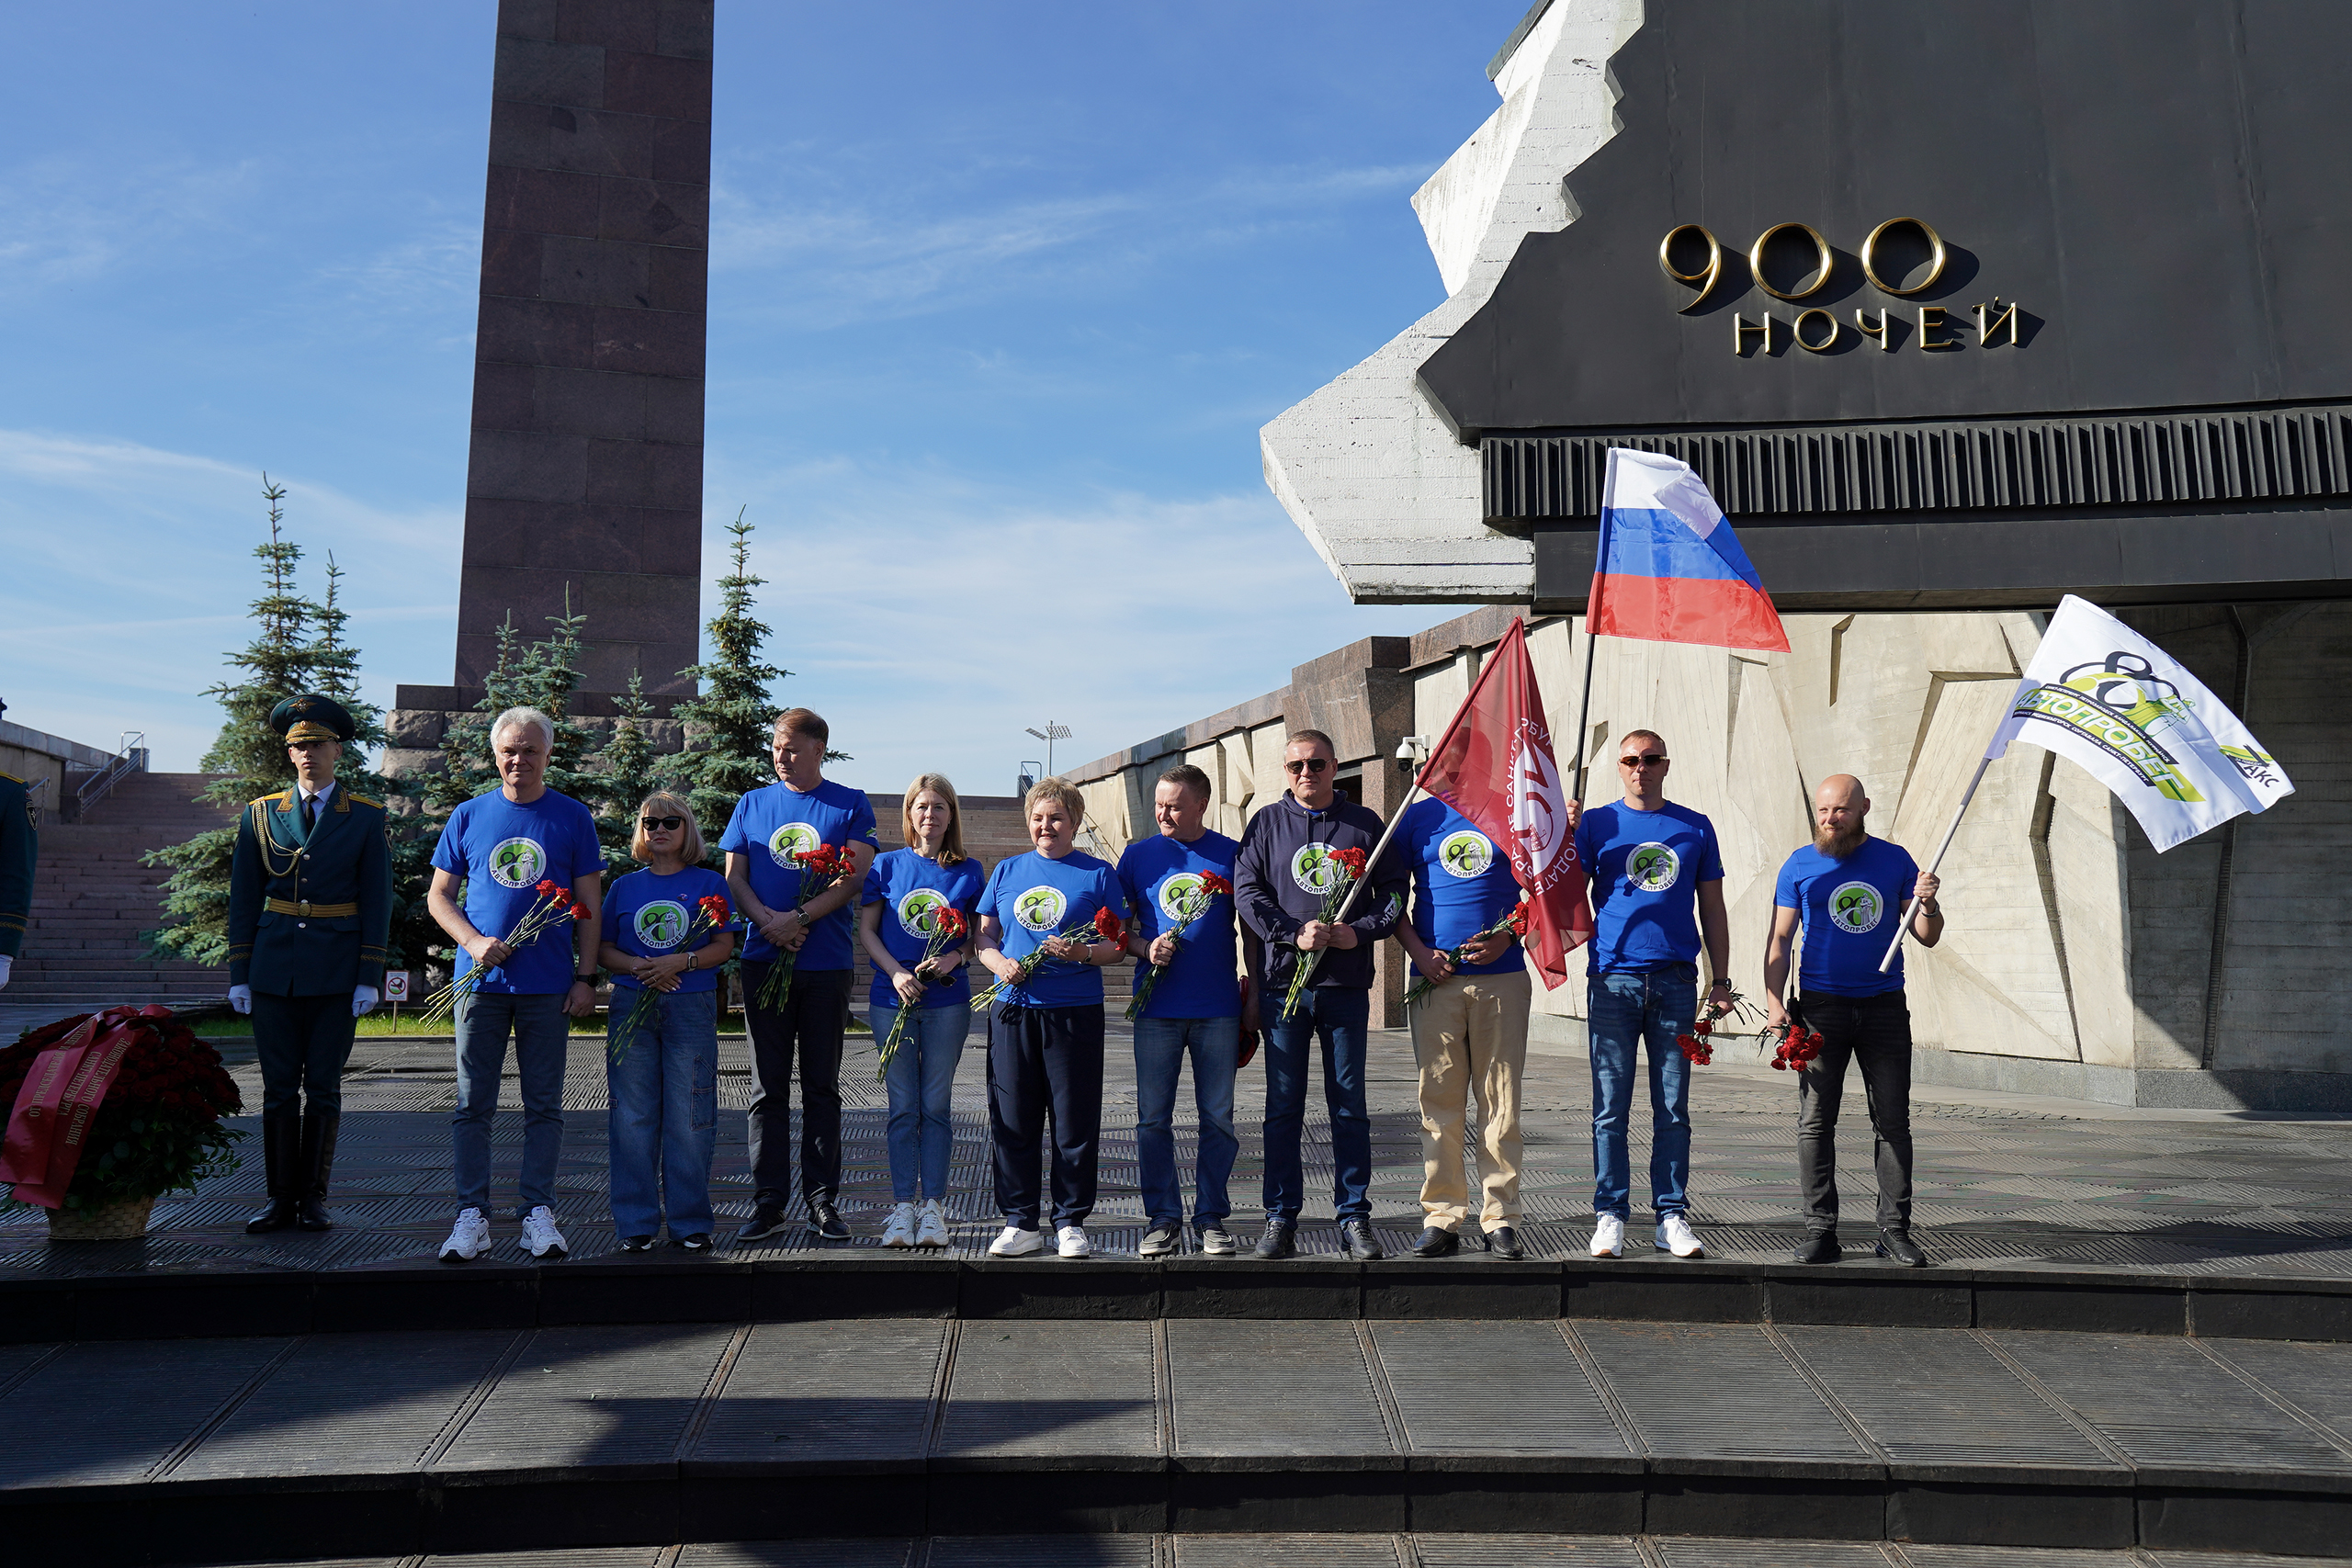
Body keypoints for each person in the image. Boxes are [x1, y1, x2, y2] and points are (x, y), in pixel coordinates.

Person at [428, 706, 604, 1262]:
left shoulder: (573, 818)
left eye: (530, 749)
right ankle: (471, 1215)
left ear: (547, 754)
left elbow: (590, 909)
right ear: (495, 753)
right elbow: (438, 897)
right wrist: (474, 943)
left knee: (544, 1106)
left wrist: (586, 977)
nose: (519, 759)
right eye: (510, 749)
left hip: (547, 988)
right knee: (472, 1105)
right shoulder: (468, 815)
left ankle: (537, 1213)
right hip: (479, 984)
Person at [1232, 728, 1406, 1261]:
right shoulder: (1265, 824)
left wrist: (1364, 930)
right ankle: (1280, 1218)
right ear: (1285, 772)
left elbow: (1395, 892)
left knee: (1349, 1106)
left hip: (1345, 989)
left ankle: (1354, 1216)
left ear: (1335, 767)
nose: (1306, 774)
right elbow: (1246, 890)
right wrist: (1290, 931)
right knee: (1283, 1107)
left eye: (1317, 764)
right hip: (1287, 986)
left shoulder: (1364, 825)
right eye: (1296, 766)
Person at [224, 694, 392, 1233]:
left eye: (316, 744)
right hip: (274, 968)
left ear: (337, 750)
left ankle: (313, 1198)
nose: (306, 755)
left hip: (337, 969)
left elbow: (377, 900)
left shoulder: (365, 817)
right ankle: (279, 1199)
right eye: (297, 745)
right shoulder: (261, 814)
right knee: (276, 1089)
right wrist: (240, 973)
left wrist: (369, 974)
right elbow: (244, 898)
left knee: (322, 1086)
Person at [1764, 773, 1944, 1269]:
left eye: (1840, 810)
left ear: (1864, 806)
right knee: (1815, 1122)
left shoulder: (1894, 860)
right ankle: (1820, 1231)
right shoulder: (1799, 864)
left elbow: (1926, 935)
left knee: (1892, 1122)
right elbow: (1781, 939)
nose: (1830, 819)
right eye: (1823, 811)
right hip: (1821, 1008)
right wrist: (1774, 1001)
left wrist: (1927, 901)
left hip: (1884, 1007)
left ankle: (1894, 1231)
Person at [723, 708, 879, 1244]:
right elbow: (735, 877)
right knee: (767, 1089)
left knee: (821, 1086)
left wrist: (800, 919)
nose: (780, 755)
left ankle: (821, 1200)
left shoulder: (849, 803)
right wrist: (769, 923)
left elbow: (854, 877)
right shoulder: (752, 803)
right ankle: (768, 1202)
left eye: (790, 747)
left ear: (818, 748)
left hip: (824, 965)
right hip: (764, 960)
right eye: (775, 746)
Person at [1573, 729, 1728, 1262]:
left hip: (1675, 981)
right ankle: (1611, 1213)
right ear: (1619, 767)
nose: (1641, 767)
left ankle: (1670, 1215)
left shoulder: (1694, 826)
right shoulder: (1596, 823)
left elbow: (1712, 908)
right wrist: (1562, 834)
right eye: (1631, 760)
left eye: (1651, 759)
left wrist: (1721, 978)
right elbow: (1564, 889)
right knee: (1610, 1107)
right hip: (1613, 978)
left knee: (1673, 1107)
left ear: (1666, 764)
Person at [970, 776, 1129, 1259]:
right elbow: (983, 937)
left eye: (1057, 817)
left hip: (1074, 1014)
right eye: (1038, 817)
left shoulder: (1098, 874)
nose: (1047, 826)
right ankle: (1020, 1222)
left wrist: (1082, 952)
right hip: (1014, 1011)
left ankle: (1070, 1221)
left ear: (1076, 822)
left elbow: (1118, 946)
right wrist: (1000, 965)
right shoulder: (1007, 871)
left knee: (1073, 1119)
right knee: (1013, 1117)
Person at [1394, 793, 1532, 1259]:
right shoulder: (1418, 816)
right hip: (1435, 980)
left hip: (1504, 978)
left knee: (1501, 1101)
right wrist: (1418, 953)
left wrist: (1508, 936)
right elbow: (1393, 897)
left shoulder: (1517, 811)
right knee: (1438, 1101)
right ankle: (1443, 1215)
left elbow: (1544, 888)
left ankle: (1500, 1217)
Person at [1116, 763, 1245, 1258]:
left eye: (1173, 804)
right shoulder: (1138, 856)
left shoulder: (1231, 854)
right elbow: (1118, 931)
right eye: (1158, 804)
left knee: (1218, 1118)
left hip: (1217, 1007)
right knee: (1153, 1119)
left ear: (1201, 806)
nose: (1163, 813)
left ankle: (1211, 1217)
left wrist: (1250, 996)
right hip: (1156, 1008)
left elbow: (1249, 932)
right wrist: (1145, 947)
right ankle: (1163, 1218)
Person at [598, 792, 734, 1252]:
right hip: (632, 1007)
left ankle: (690, 1222)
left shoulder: (710, 882)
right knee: (632, 1117)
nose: (659, 829)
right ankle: (635, 1224)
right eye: (649, 821)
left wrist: (682, 960)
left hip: (689, 1009)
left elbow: (723, 946)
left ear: (686, 830)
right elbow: (603, 951)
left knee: (690, 1116)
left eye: (670, 822)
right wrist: (641, 967)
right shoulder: (622, 887)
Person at [858, 773, 984, 1249]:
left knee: (935, 1106)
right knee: (901, 1107)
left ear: (951, 815)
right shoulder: (886, 866)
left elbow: (978, 935)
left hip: (947, 1004)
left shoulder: (969, 871)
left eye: (939, 807)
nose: (929, 815)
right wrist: (894, 972)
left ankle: (933, 1209)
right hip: (892, 1001)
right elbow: (867, 931)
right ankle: (901, 1209)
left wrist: (955, 956)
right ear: (909, 814)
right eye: (921, 807)